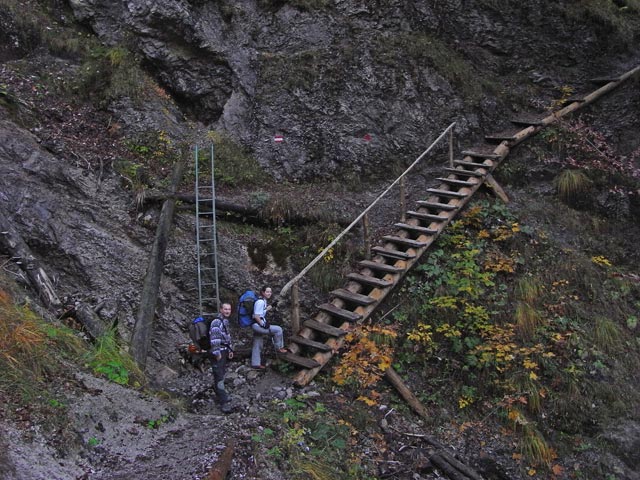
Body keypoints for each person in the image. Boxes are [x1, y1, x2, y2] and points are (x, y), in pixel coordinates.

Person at [251, 286, 288, 369]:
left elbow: (263, 310)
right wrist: (263, 324)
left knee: (257, 342)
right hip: (258, 325)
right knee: (278, 330)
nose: (269, 293)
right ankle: (279, 348)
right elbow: (256, 316)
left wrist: (272, 305)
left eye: (270, 292)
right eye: (267, 292)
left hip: (256, 325)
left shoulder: (262, 300)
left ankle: (255, 363)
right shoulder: (260, 302)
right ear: (263, 292)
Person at [209, 302, 234, 413]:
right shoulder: (216, 322)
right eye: (225, 309)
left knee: (221, 374)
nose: (227, 311)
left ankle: (221, 395)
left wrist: (230, 350)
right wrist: (217, 353)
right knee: (219, 375)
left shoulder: (225, 321)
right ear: (220, 310)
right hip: (218, 353)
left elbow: (227, 337)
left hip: (224, 351)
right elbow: (214, 338)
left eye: (229, 309)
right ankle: (224, 403)